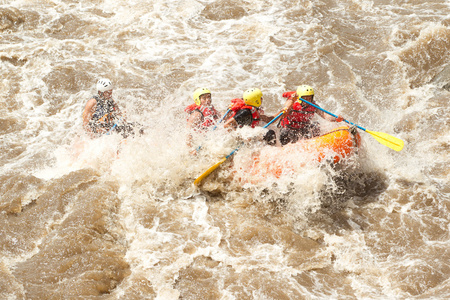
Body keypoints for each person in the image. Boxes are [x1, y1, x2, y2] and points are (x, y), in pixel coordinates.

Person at [275, 85, 344, 145]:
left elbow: (324, 115)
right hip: (289, 129)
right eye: (305, 98)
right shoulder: (292, 103)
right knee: (285, 133)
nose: (307, 101)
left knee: (315, 126)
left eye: (309, 98)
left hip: (302, 129)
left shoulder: (313, 106)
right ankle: (284, 148)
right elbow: (286, 109)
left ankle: (313, 144)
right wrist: (287, 107)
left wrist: (336, 119)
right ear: (300, 98)